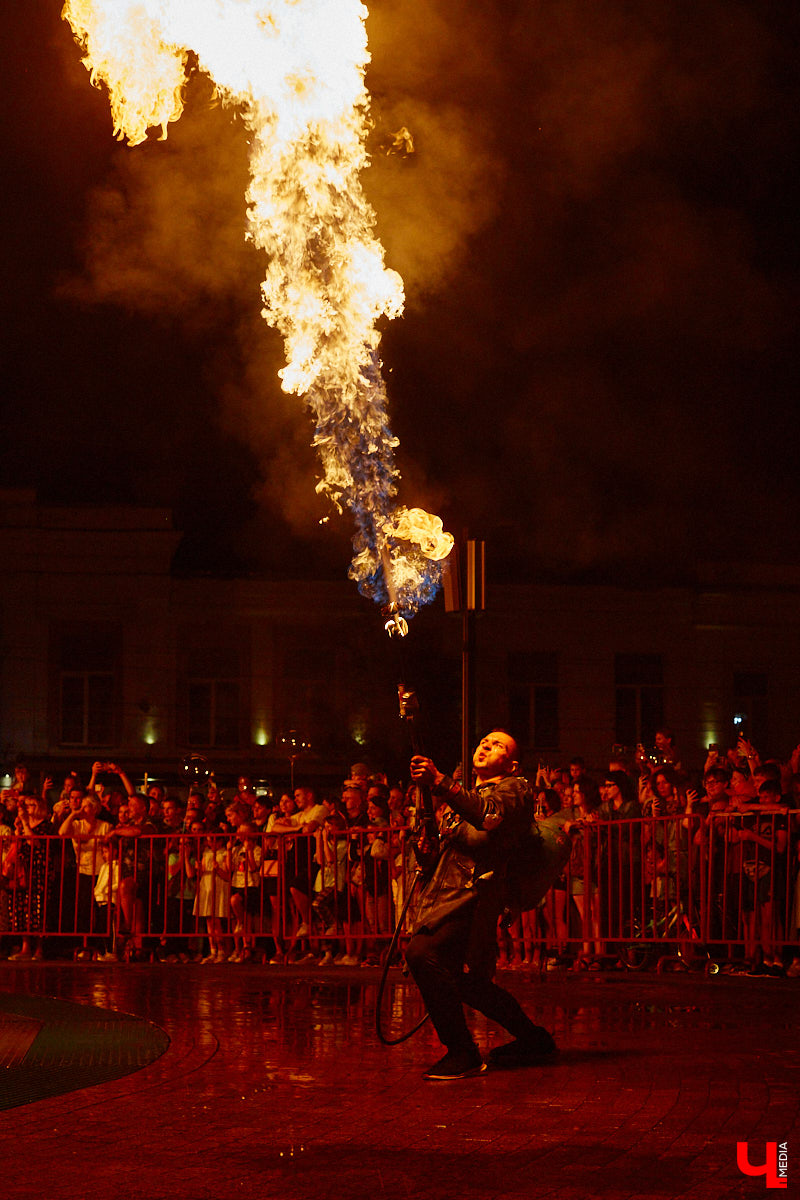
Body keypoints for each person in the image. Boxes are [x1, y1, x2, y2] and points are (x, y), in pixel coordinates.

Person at [406, 729, 556, 1081]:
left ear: (512, 763)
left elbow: (488, 820)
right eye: (484, 741)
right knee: (462, 982)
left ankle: (462, 1052)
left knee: (422, 953)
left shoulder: (515, 788)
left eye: (499, 744)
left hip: (475, 896)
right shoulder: (467, 796)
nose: (486, 745)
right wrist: (426, 848)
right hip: (447, 896)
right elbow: (456, 846)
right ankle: (533, 1039)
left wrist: (442, 782)